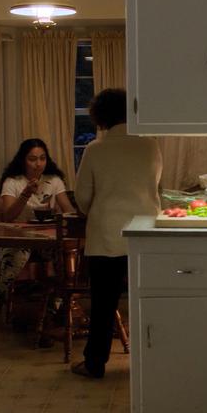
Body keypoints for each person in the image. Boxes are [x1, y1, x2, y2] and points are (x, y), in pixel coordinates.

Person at [71, 88, 162, 378]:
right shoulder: (150, 145)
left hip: (106, 235)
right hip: (145, 231)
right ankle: (154, 360)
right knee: (147, 300)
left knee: (103, 303)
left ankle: (95, 363)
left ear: (100, 117)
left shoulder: (95, 149)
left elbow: (82, 197)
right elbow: (154, 184)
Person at [0, 138, 75, 322]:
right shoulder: (13, 181)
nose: (38, 164)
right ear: (23, 160)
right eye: (32, 159)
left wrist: (76, 214)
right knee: (12, 264)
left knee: (68, 258)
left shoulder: (54, 180)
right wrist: (26, 193)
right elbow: (8, 216)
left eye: (42, 158)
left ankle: (59, 306)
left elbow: (68, 209)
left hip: (46, 239)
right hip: (18, 239)